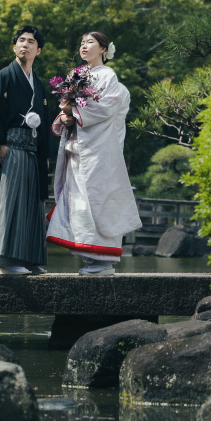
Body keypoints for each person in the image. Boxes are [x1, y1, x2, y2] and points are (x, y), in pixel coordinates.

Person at [47, 30, 141, 275]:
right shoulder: (77, 74)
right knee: (78, 201)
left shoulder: (108, 75)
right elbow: (73, 107)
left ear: (103, 48)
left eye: (90, 42)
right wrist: (66, 116)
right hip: (79, 146)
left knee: (98, 198)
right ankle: (90, 256)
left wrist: (75, 113)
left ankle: (103, 259)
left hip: (98, 150)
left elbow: (105, 107)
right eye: (82, 42)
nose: (84, 46)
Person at [0, 25, 50, 276]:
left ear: (38, 51)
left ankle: (28, 258)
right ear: (14, 47)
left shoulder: (38, 84)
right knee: (10, 201)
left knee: (32, 204)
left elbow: (46, 122)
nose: (25, 45)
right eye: (21, 41)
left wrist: (44, 154)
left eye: (31, 42)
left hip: (32, 149)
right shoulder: (4, 76)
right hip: (11, 146)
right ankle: (5, 262)